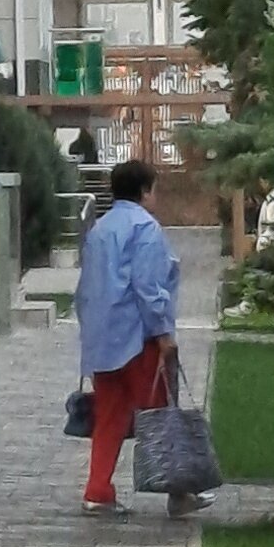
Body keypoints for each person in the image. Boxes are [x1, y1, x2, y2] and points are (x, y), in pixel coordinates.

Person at [73, 155, 181, 514]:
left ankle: (98, 490)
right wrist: (163, 330)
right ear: (145, 191)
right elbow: (148, 286)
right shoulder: (146, 229)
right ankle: (180, 489)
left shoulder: (99, 230)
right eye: (155, 190)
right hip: (138, 337)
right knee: (161, 413)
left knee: (109, 416)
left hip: (102, 340)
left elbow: (85, 287)